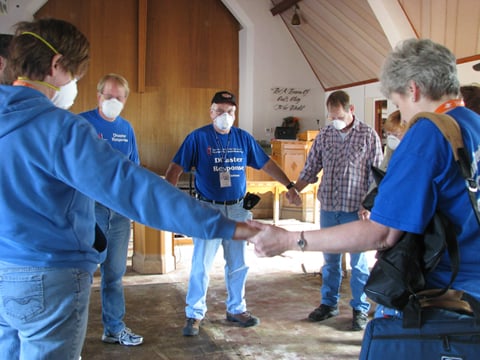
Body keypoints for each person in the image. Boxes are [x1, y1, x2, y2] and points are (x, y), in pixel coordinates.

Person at [0, 18, 257, 360]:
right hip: (46, 277)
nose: (74, 83)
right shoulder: (60, 128)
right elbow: (134, 190)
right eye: (74, 75)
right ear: (56, 65)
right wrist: (227, 226)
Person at [248, 38, 480, 325]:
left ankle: (357, 308)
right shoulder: (471, 123)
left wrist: (288, 239)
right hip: (471, 290)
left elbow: (382, 234)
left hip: (441, 295)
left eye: (398, 103)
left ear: (413, 88)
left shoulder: (427, 134)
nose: (404, 117)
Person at [164, 90, 301, 337]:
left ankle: (236, 309)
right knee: (201, 265)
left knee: (238, 263)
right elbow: (175, 167)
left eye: (230, 111)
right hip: (208, 209)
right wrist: (170, 200)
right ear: (211, 112)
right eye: (220, 110)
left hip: (238, 209)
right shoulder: (197, 138)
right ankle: (194, 313)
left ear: (235, 114)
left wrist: (288, 185)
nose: (225, 116)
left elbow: (266, 163)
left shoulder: (243, 139)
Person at [286, 90, 383, 331]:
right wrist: (295, 189)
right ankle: (329, 304)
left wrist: (369, 204)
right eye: (331, 117)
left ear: (351, 111)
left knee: (358, 263)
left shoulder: (368, 136)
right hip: (329, 207)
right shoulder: (325, 135)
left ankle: (360, 308)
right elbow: (311, 168)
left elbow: (379, 176)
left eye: (338, 116)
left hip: (356, 211)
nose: (334, 121)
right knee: (329, 261)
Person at [79, 74, 143, 346]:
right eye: (109, 96)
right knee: (79, 275)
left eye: (119, 97)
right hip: (89, 210)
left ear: (126, 100)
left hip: (119, 213)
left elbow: (134, 169)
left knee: (114, 276)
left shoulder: (126, 128)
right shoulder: (81, 123)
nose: (113, 101)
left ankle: (114, 329)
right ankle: (70, 335)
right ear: (98, 96)